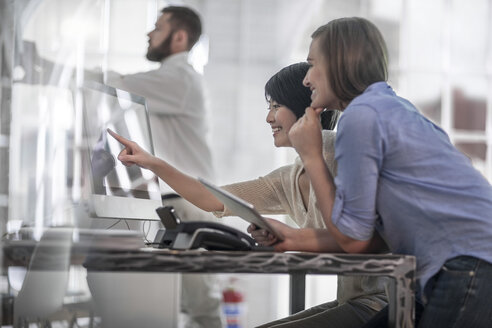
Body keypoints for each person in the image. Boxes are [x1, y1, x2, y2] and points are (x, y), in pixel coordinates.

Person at [108, 62, 389, 328]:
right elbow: (212, 199)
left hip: (385, 305)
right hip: (353, 302)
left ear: (309, 109)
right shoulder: (290, 176)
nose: (268, 117)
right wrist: (152, 162)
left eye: (276, 107)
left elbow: (360, 239)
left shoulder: (345, 157)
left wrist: (290, 237)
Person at [288, 17, 492, 327]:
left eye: (312, 64)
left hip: (468, 264)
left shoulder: (362, 116)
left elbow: (353, 241)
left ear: (339, 63)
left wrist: (312, 155)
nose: (306, 80)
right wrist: (291, 236)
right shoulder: (390, 109)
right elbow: (367, 237)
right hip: (464, 263)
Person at [104, 6, 222, 328]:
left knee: (201, 305)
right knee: (180, 305)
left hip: (188, 204)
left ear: (179, 37)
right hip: (174, 204)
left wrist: (58, 67)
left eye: (157, 27)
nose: (149, 33)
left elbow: (118, 82)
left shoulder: (179, 77)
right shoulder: (171, 81)